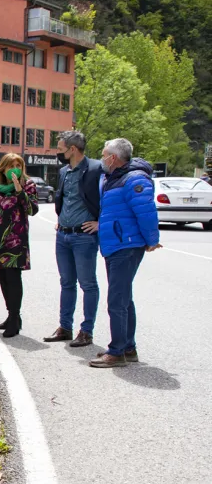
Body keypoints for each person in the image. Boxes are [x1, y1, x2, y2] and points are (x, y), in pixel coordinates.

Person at [89, 138, 161, 368]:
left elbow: (146, 212)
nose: (102, 159)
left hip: (126, 245)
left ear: (113, 157)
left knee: (117, 300)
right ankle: (128, 348)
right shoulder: (114, 177)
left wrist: (152, 240)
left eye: (104, 155)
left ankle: (117, 351)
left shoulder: (134, 179)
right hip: (116, 244)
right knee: (124, 298)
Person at [44, 131, 103, 348]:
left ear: (72, 149)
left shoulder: (96, 169)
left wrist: (100, 222)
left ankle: (86, 331)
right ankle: (65, 327)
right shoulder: (63, 171)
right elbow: (64, 199)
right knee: (66, 282)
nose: (57, 152)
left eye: (60, 149)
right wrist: (61, 219)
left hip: (84, 237)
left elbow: (108, 198)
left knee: (88, 284)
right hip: (63, 235)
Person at [0, 153, 38, 338]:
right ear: (3, 169)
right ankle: (11, 315)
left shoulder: (28, 186)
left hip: (16, 241)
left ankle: (14, 318)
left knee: (13, 279)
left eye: (18, 166)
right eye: (11, 166)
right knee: (3, 279)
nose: (15, 169)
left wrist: (20, 191)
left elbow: (32, 209)